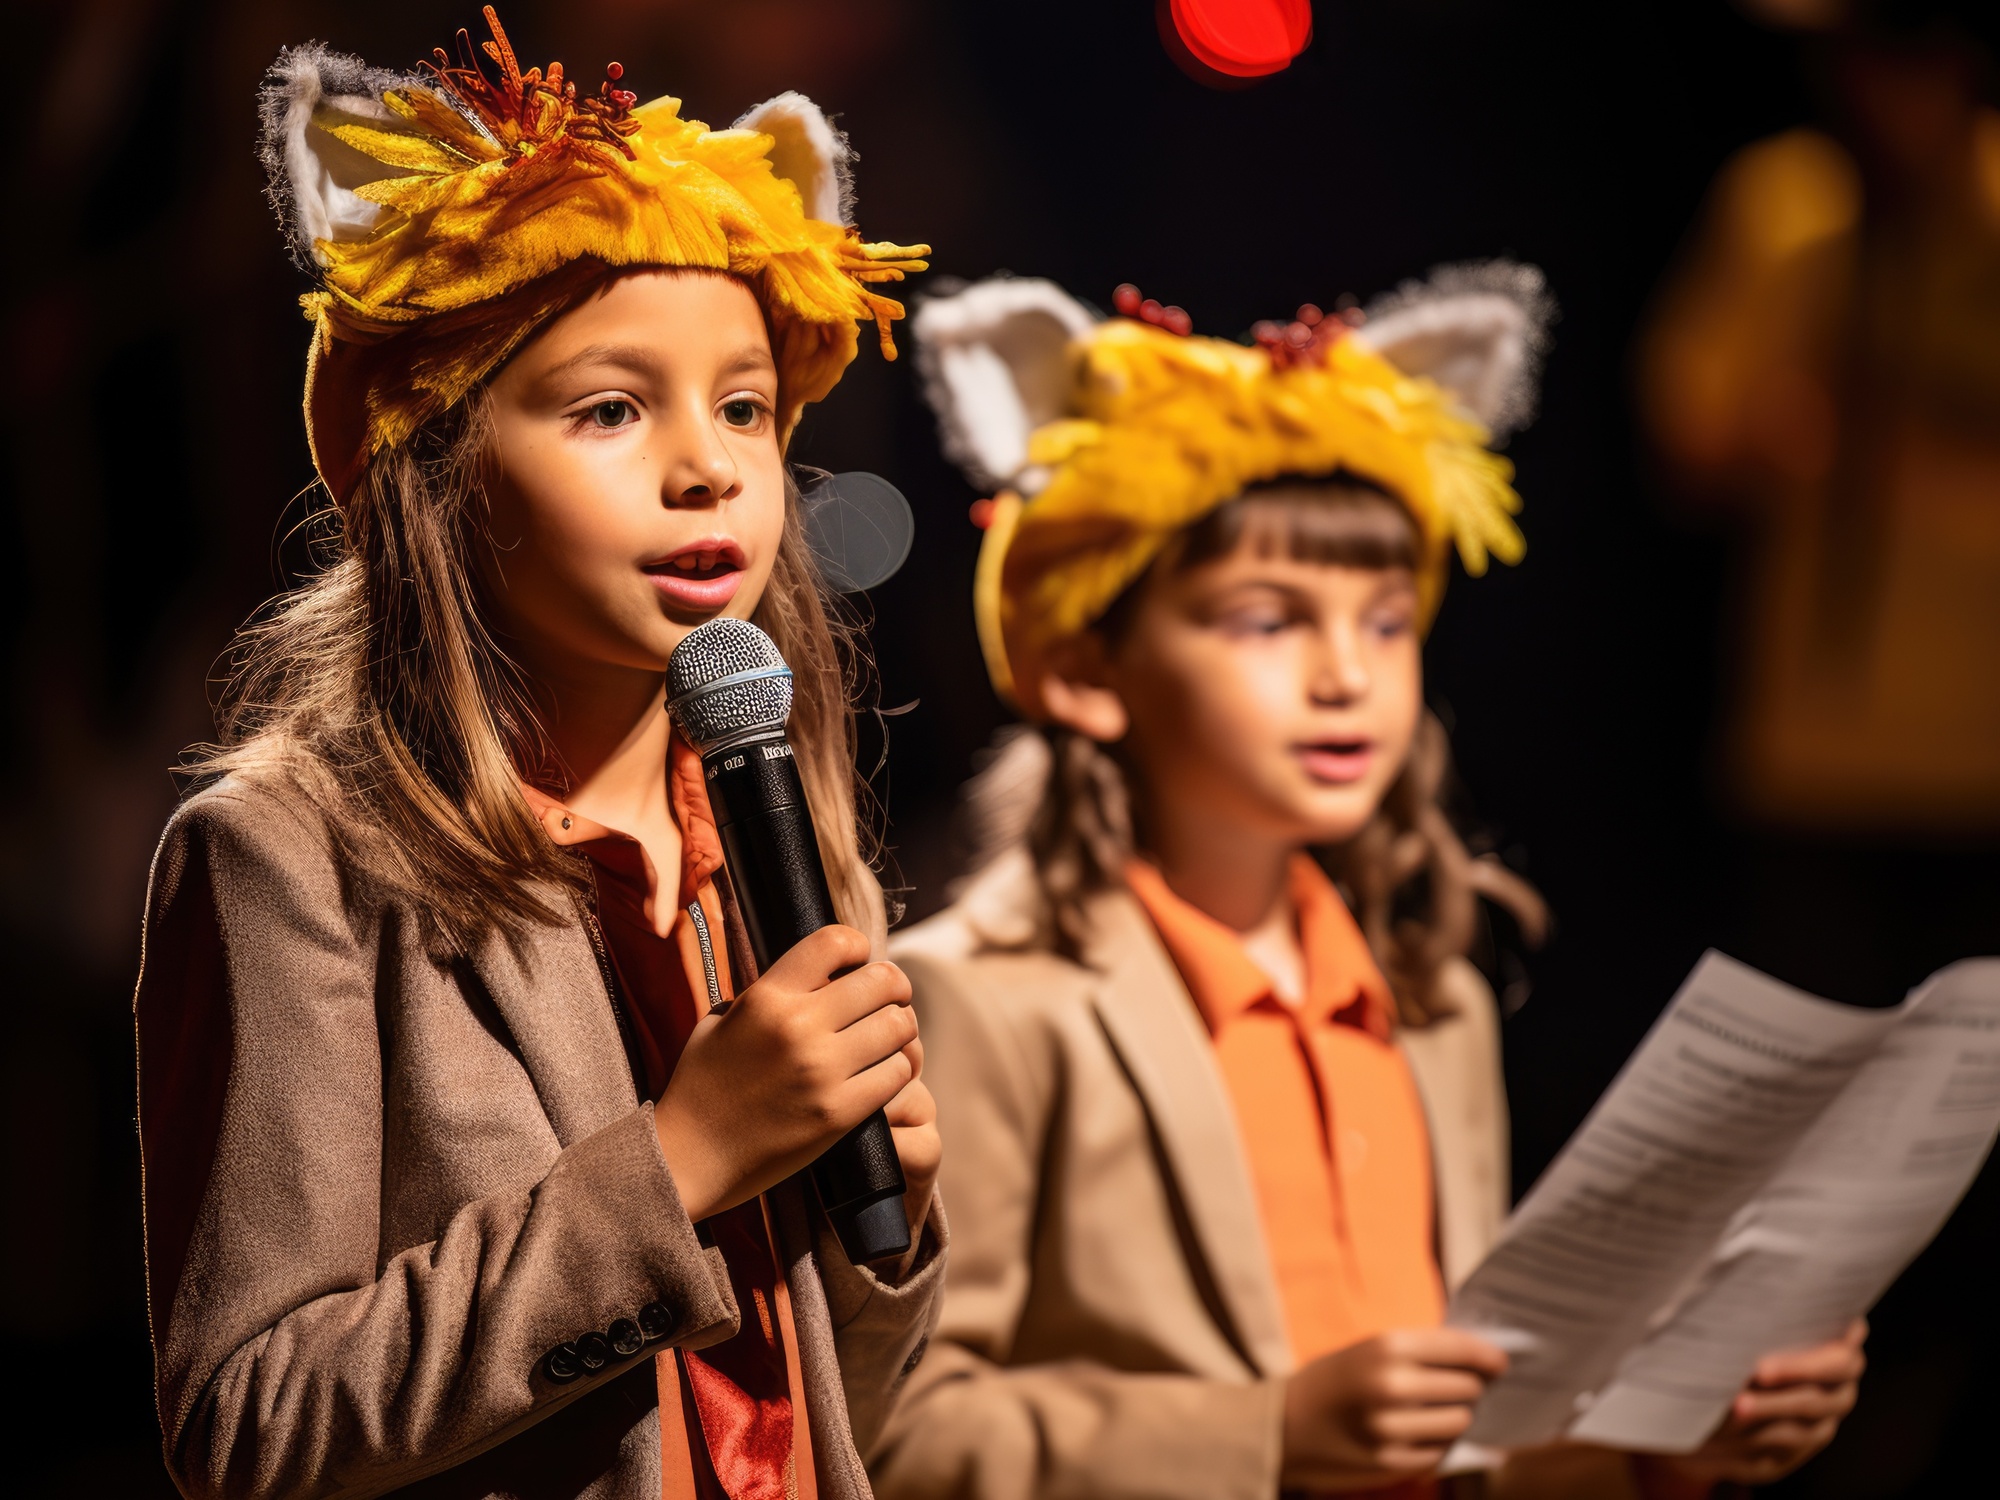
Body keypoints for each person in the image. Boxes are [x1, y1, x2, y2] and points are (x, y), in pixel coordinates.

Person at [868, 272, 1866, 1499]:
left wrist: (1660, 1440)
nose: (1346, 673)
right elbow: (903, 1438)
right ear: (1084, 668)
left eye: (1386, 622)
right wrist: (1265, 1438)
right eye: (1265, 620)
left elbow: (1452, 1446)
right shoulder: (983, 999)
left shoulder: (1423, 997)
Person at [133, 12, 942, 1500]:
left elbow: (828, 1426)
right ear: (432, 463)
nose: (707, 463)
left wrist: (875, 1226)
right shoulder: (284, 858)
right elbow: (251, 1427)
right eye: (613, 408)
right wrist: (680, 1164)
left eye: (747, 406)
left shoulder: (780, 849)